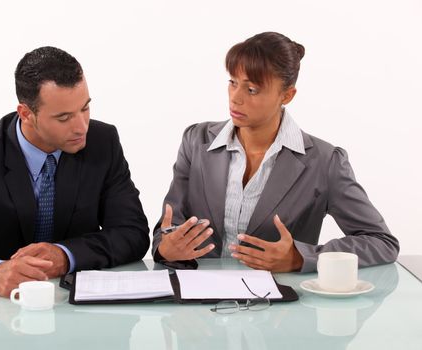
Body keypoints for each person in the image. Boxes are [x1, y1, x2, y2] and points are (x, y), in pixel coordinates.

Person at [0, 46, 149, 296]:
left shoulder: (104, 142)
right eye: (64, 117)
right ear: (26, 113)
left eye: (85, 108)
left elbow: (131, 232)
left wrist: (66, 256)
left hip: (73, 310)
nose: (81, 127)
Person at [152, 32, 399, 272]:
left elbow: (382, 242)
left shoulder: (325, 161)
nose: (235, 98)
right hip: (199, 305)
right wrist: (165, 248)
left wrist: (301, 258)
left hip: (279, 306)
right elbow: (169, 228)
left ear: (287, 95)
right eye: (233, 82)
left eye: (252, 90)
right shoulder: (196, 140)